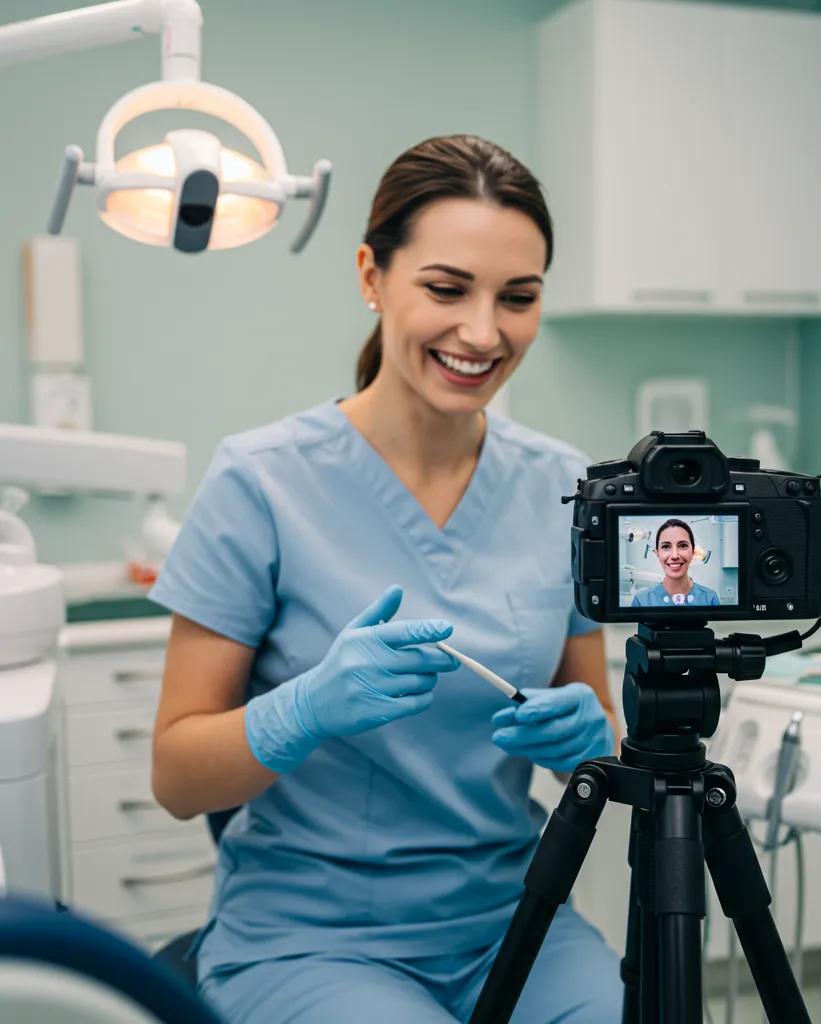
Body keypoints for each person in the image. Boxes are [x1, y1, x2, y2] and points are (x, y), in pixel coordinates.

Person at [148, 135, 624, 1024]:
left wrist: (590, 740)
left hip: (514, 920)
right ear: (372, 275)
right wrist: (303, 710)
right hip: (312, 935)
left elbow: (601, 737)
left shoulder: (565, 487)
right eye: (446, 289)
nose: (482, 332)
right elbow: (176, 779)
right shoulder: (262, 482)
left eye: (517, 298)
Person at [630, 519, 720, 608]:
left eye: (683, 546)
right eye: (666, 547)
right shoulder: (641, 601)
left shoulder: (709, 599)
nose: (674, 556)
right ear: (657, 553)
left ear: (694, 551)